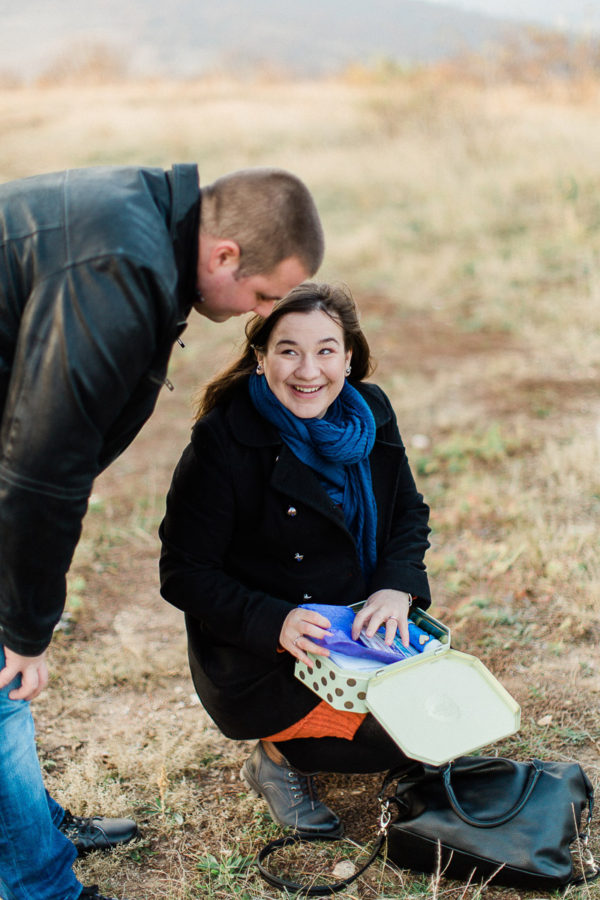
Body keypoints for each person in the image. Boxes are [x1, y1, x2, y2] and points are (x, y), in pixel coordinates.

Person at [0, 164, 324, 900]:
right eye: (265, 296)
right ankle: (41, 884)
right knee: (1, 681)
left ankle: (30, 830)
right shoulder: (118, 266)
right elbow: (40, 470)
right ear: (224, 257)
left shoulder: (146, 226)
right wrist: (24, 627)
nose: (261, 314)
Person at [159, 282, 431, 837]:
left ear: (349, 356)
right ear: (260, 358)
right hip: (266, 651)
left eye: (326, 350)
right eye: (289, 350)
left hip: (358, 626)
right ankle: (278, 760)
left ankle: (330, 732)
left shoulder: (371, 412)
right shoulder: (222, 443)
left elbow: (407, 510)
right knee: (399, 740)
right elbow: (184, 572)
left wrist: (395, 587)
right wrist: (274, 622)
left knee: (438, 721)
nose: (309, 370)